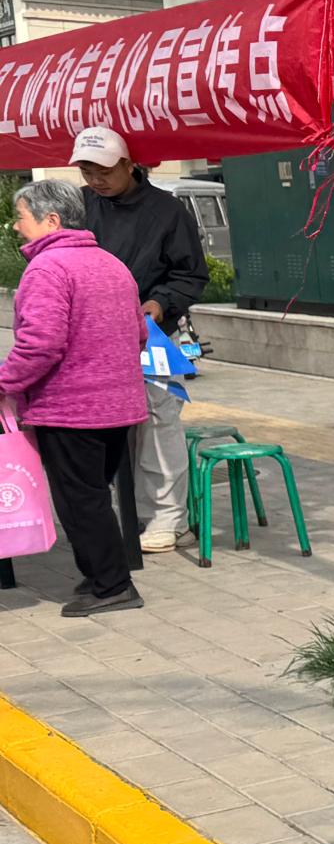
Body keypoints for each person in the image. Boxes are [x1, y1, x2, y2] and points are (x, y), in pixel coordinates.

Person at [1, 180, 149, 615]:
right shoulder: (111, 263)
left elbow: (40, 344)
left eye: (21, 217)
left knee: (80, 499)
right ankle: (100, 574)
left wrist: (4, 382)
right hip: (119, 405)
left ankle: (113, 586)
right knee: (93, 494)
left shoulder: (47, 268)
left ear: (51, 220)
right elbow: (139, 333)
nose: (16, 226)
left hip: (71, 408)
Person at [71, 126, 206, 554]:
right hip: (93, 338)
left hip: (152, 337)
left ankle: (169, 518)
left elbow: (190, 274)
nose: (96, 179)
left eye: (105, 170)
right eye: (88, 171)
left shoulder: (167, 211)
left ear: (129, 165)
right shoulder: (78, 206)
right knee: (105, 428)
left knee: (157, 423)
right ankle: (123, 513)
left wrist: (160, 304)